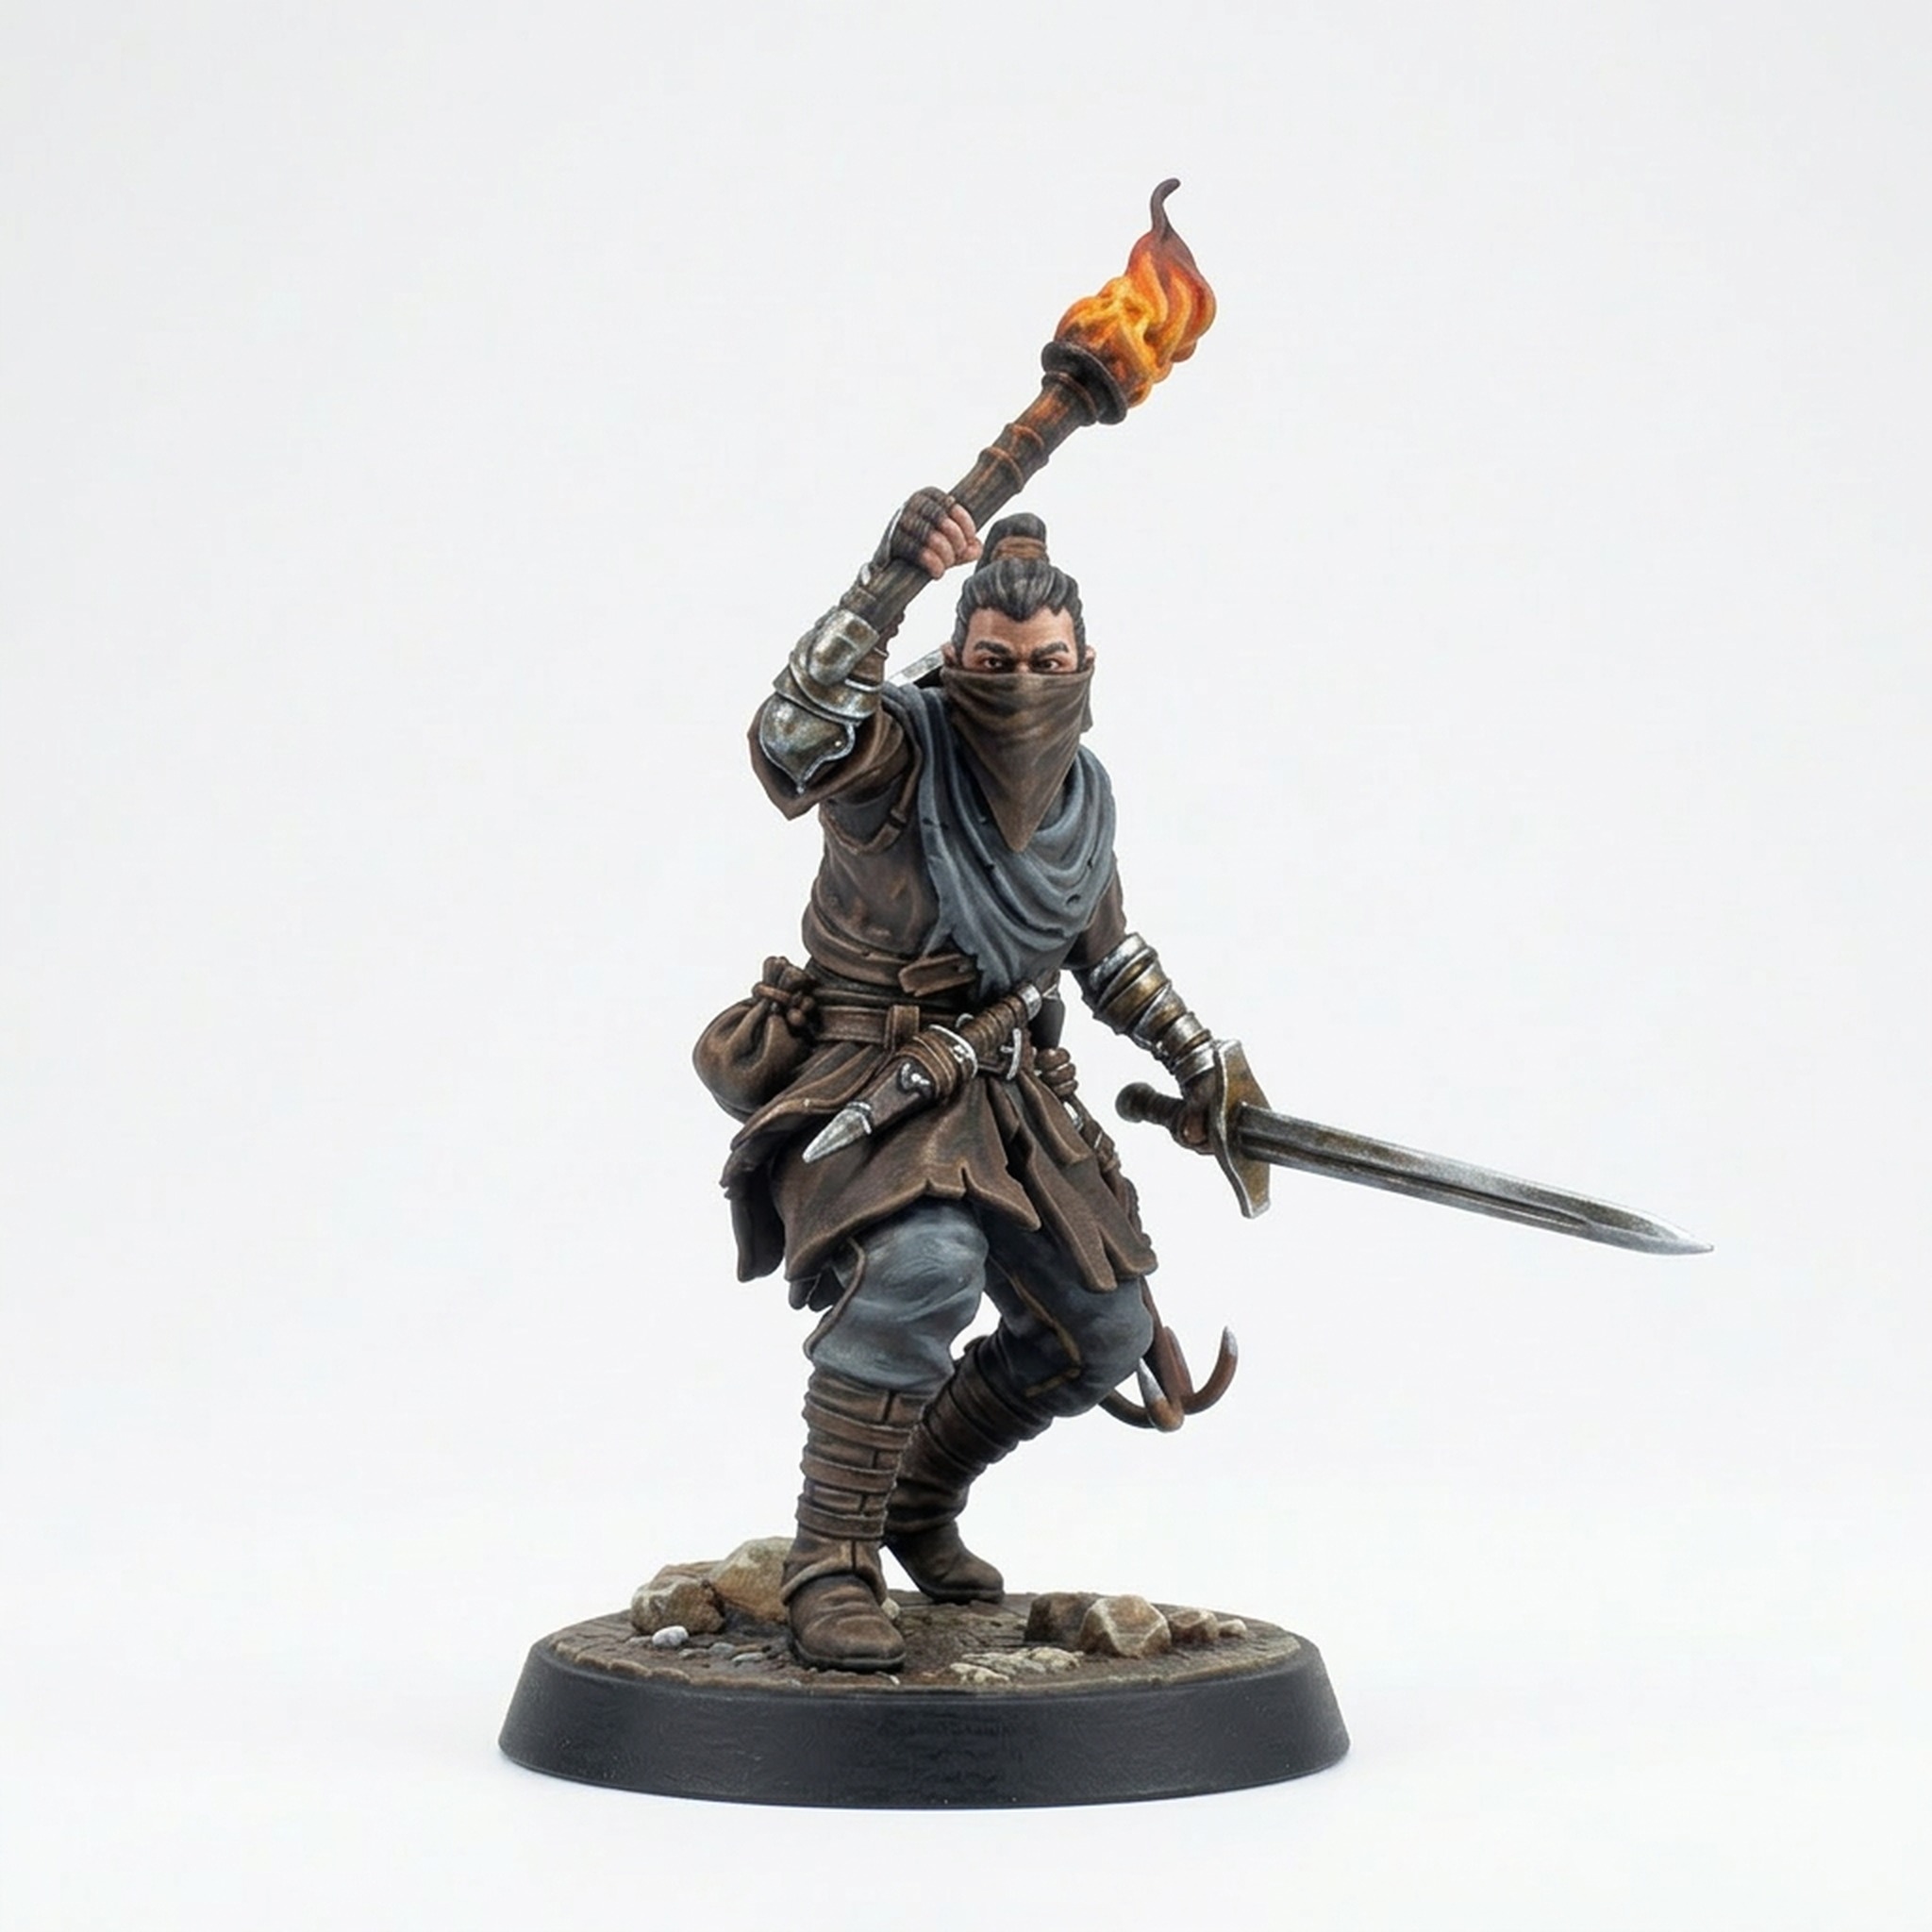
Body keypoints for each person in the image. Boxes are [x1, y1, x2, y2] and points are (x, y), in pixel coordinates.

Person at [697, 489, 1232, 1670]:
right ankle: (831, 1558)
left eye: (1046, 662)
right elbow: (795, 729)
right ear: (957, 657)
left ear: (1083, 665)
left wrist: (1199, 1064)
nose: (1021, 683)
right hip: (870, 1075)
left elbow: (1107, 956)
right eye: (994, 661)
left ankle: (915, 1492)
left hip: (1011, 1094)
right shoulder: (898, 748)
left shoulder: (1080, 796)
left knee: (1102, 1329)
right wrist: (887, 579)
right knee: (922, 1266)